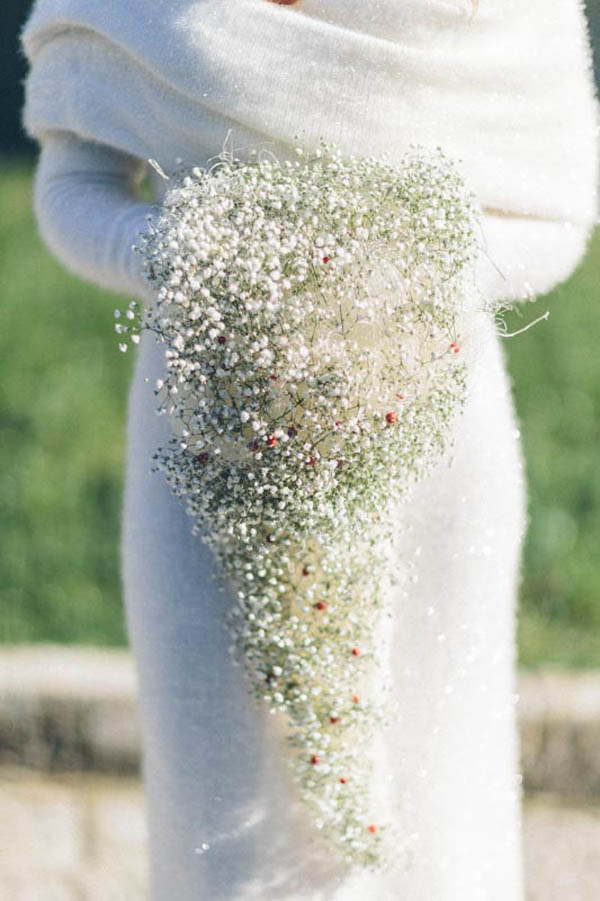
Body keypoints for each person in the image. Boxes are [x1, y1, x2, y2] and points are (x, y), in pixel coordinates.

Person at [20, 1, 598, 898]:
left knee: (435, 796)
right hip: (202, 448)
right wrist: (202, 257)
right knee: (224, 812)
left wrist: (383, 280)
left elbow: (555, 215)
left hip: (435, 445)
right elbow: (69, 189)